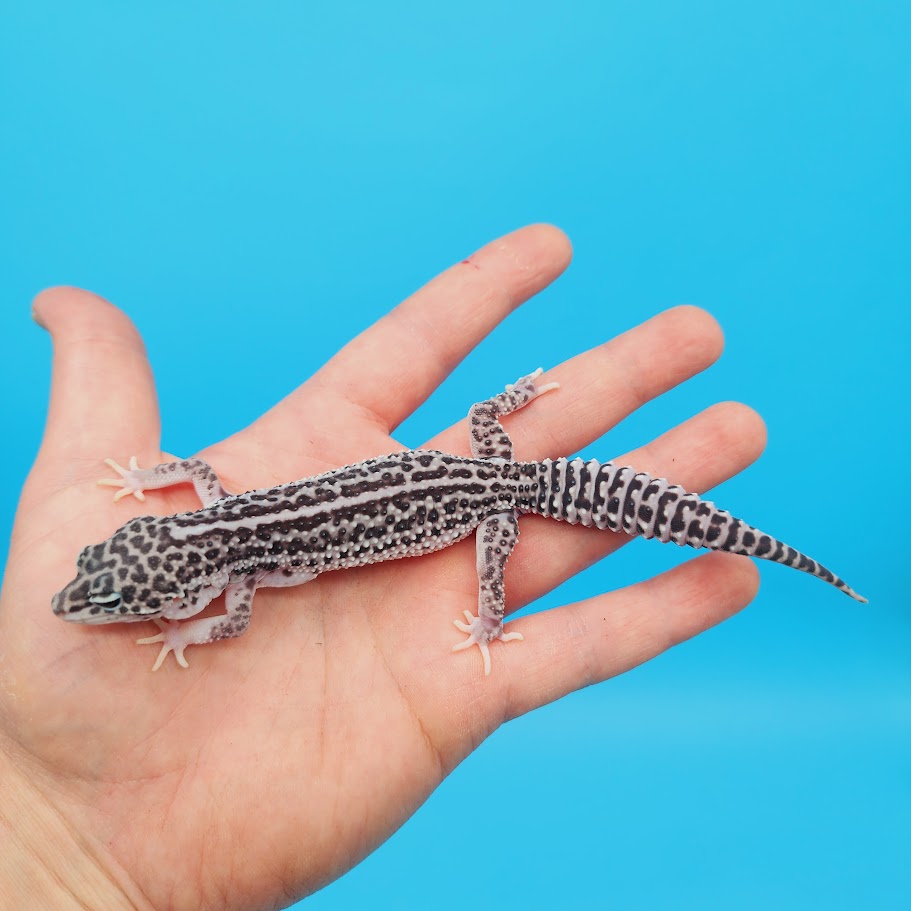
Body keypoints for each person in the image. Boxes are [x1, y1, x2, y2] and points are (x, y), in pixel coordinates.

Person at [0, 225, 762, 909]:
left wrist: (181, 634)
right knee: (490, 433)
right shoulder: (217, 512)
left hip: (491, 500)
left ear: (177, 578)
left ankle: (493, 620)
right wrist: (150, 486)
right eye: (105, 588)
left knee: (496, 564)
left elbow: (229, 618)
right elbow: (196, 472)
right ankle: (516, 564)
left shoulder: (235, 576)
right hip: (490, 471)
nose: (85, 603)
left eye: (110, 593)